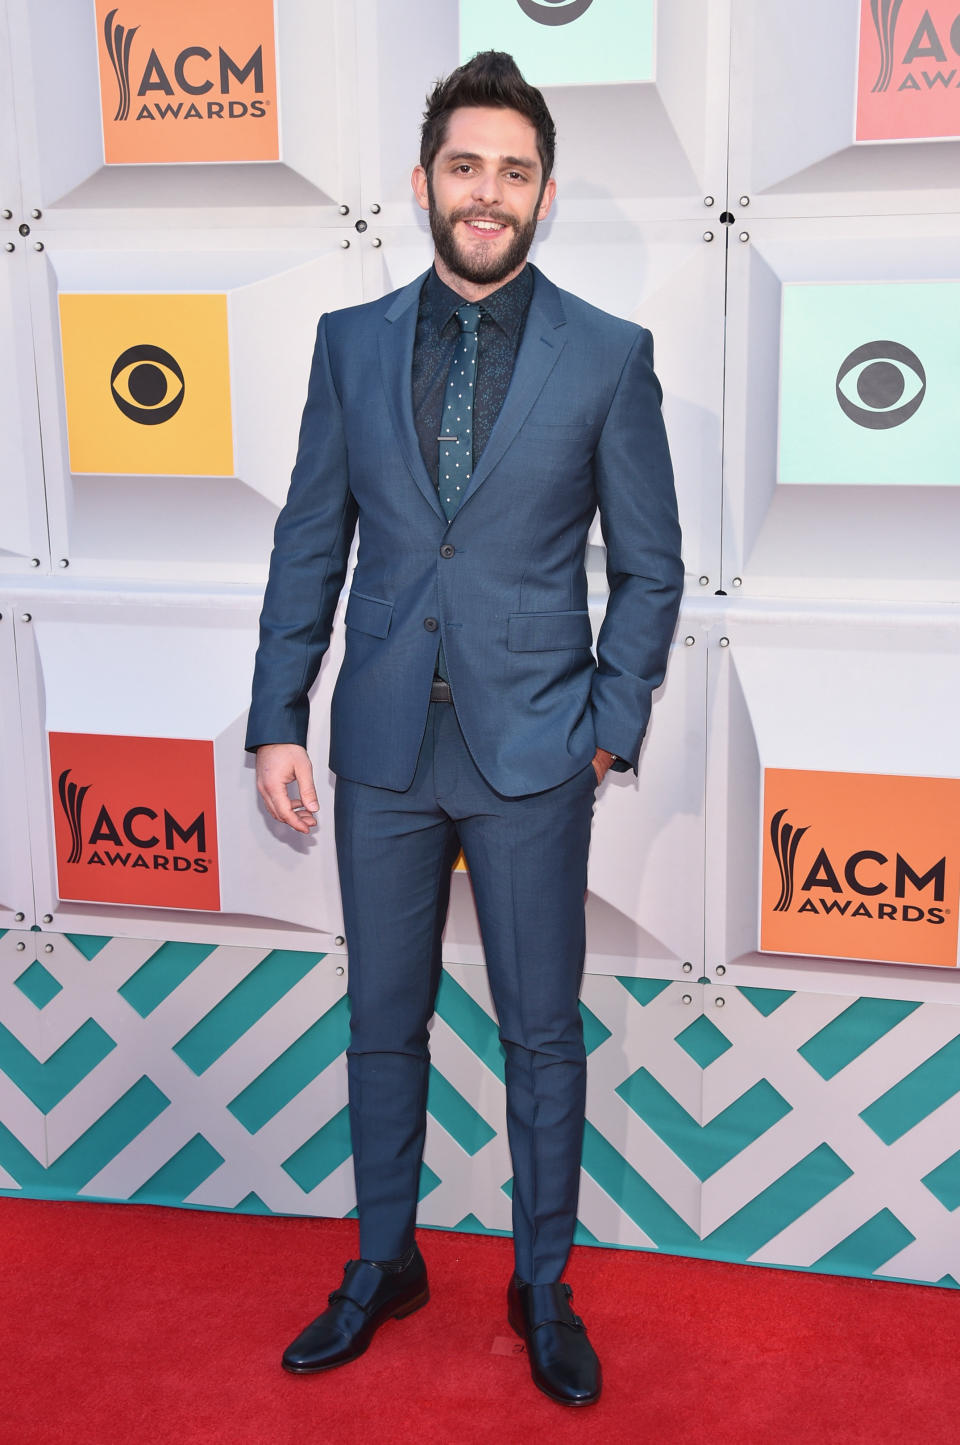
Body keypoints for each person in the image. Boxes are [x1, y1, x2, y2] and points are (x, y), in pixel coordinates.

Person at [246, 50, 682, 1407]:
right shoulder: (350, 343)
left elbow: (652, 564)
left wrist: (606, 725)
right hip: (379, 743)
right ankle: (385, 1259)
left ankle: (541, 1283)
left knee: (541, 1033)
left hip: (535, 749)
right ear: (424, 181)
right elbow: (311, 542)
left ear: (543, 195)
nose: (484, 192)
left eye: (511, 170)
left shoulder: (609, 356)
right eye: (463, 164)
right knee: (385, 1019)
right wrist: (277, 716)